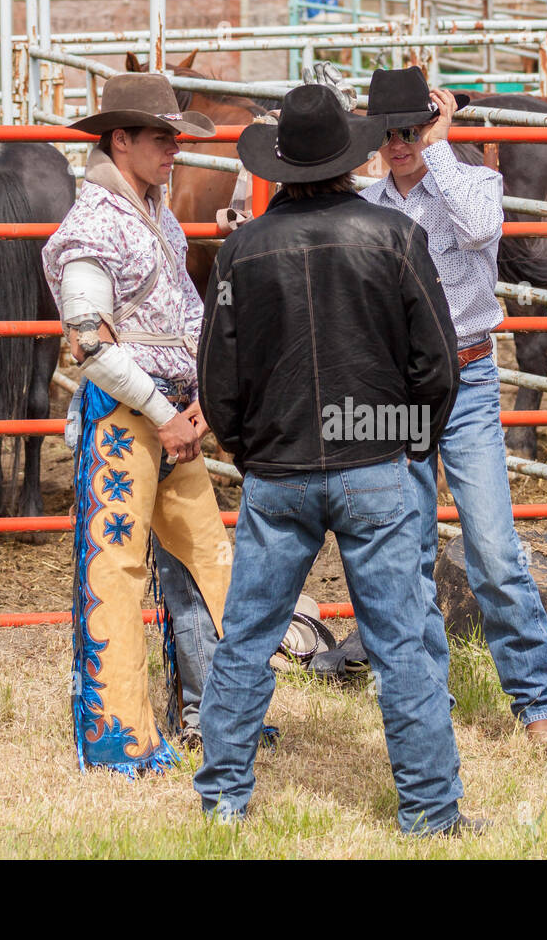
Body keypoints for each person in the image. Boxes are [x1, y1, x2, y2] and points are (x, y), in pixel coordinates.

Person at [193, 84, 481, 836]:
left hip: (279, 468)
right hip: (375, 462)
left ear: (281, 165)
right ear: (351, 158)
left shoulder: (243, 249)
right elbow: (437, 361)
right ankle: (429, 810)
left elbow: (217, 378)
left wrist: (250, 448)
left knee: (248, 636)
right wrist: (409, 436)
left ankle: (222, 800)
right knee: (401, 643)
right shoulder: (392, 236)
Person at [361, 66, 547, 745]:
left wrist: (439, 145)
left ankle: (537, 704)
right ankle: (429, 706)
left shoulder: (475, 182)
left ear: (433, 125)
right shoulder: (366, 203)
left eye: (411, 129)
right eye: (388, 131)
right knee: (410, 546)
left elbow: (481, 231)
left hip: (471, 377)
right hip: (398, 387)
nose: (399, 143)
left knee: (494, 547)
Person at [42, 72, 232, 772]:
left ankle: (214, 717)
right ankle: (122, 734)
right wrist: (169, 413)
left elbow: (182, 312)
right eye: (161, 138)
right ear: (120, 141)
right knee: (119, 571)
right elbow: (89, 343)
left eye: (176, 138)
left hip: (169, 412)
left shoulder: (152, 213)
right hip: (130, 417)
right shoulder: (94, 225)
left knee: (205, 563)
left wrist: (197, 404)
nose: (174, 150)